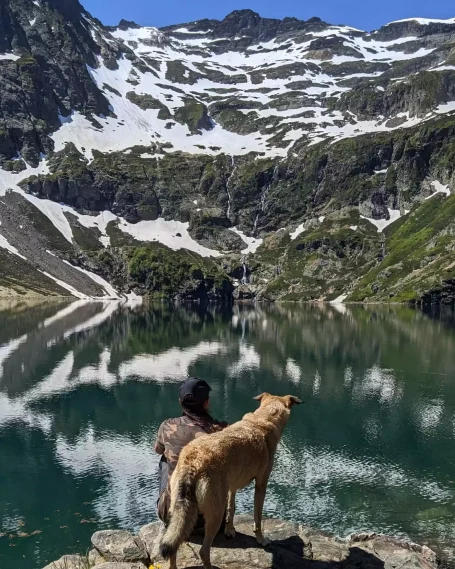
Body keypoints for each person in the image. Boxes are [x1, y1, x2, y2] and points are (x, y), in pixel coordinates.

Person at [155, 377, 227, 527]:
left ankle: (168, 502)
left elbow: (157, 450)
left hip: (171, 517)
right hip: (211, 522)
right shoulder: (222, 432)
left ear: (180, 401)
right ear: (206, 403)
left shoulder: (167, 425)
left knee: (164, 458)